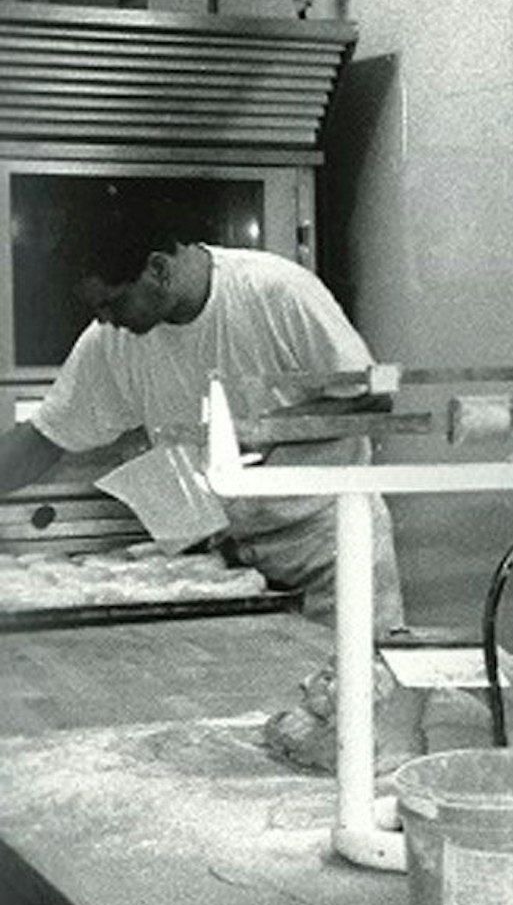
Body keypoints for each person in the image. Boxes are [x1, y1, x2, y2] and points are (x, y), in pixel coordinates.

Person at [0, 195, 405, 632]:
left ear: (158, 269)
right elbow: (44, 438)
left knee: (360, 691)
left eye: (113, 303)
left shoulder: (274, 291)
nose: (104, 320)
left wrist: (257, 432)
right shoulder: (113, 341)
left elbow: (374, 395)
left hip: (330, 549)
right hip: (231, 564)